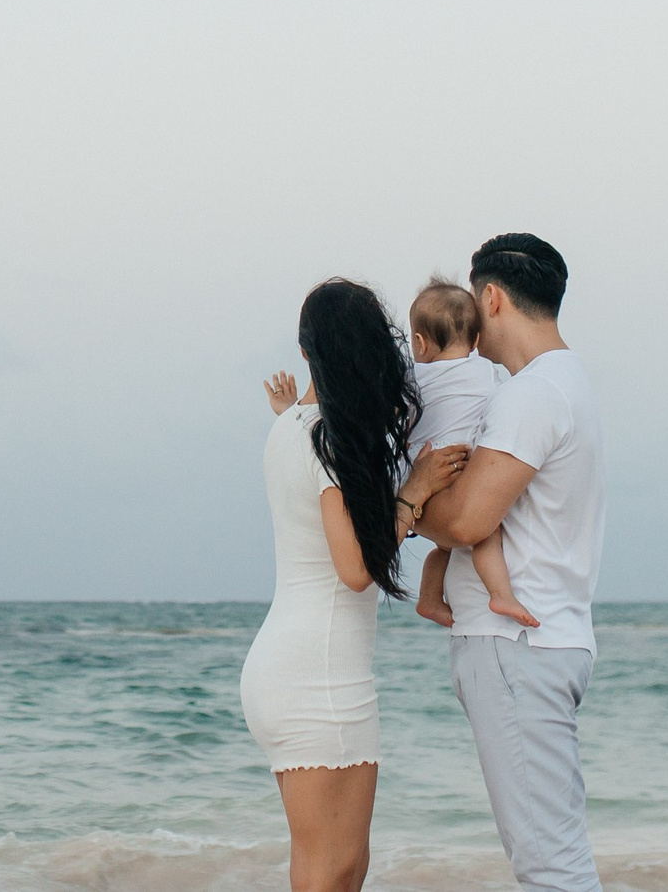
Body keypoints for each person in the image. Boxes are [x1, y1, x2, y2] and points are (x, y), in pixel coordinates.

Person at [245, 279, 470, 892]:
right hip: (318, 679)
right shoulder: (326, 440)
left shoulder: (290, 429)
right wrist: (414, 492)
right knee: (334, 873)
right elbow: (354, 570)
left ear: (306, 350)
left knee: (335, 871)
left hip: (288, 669)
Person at [415, 235, 607, 892]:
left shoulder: (533, 394)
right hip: (545, 637)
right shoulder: (567, 383)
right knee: (551, 855)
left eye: (474, 304)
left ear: (492, 298)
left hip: (517, 644)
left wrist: (405, 502)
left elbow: (467, 520)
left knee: (550, 866)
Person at [402, 280, 536, 631]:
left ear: (419, 342)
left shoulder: (409, 378)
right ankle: (501, 594)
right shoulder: (487, 372)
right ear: (476, 340)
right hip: (459, 467)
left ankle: (429, 598)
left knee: (442, 547)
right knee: (487, 532)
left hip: (419, 470)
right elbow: (505, 407)